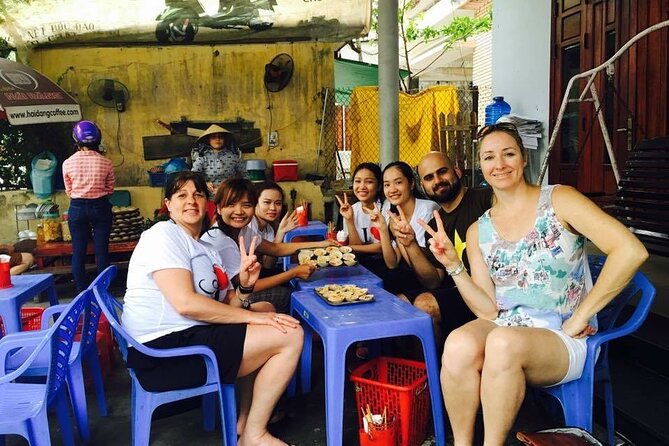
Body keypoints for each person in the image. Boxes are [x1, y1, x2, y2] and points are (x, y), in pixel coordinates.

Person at [420, 123, 649, 445]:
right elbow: (487, 310)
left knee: (502, 343)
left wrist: (582, 315)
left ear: (523, 159)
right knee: (458, 343)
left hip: (563, 334)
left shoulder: (560, 200)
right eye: (489, 157)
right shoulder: (478, 231)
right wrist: (454, 265)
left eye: (508, 153)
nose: (499, 164)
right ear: (480, 166)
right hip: (508, 325)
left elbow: (630, 250)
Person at [122, 171, 302, 446]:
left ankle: (244, 418)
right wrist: (254, 319)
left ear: (207, 202)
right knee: (290, 334)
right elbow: (186, 304)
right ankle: (254, 435)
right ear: (168, 204)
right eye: (181, 195)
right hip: (166, 352)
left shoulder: (204, 247)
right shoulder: (163, 235)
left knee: (264, 309)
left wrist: (244, 286)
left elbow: (229, 303)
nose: (191, 201)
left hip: (190, 335)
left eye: (197, 194)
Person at [391, 151, 492, 344]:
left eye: (442, 172)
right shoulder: (433, 226)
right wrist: (410, 244)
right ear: (422, 186)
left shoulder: (485, 198)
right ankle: (421, 371)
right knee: (398, 304)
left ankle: (438, 372)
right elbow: (433, 281)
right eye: (429, 178)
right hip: (458, 292)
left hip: (489, 292)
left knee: (424, 305)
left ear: (457, 171)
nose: (437, 180)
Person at [200, 178, 332, 313]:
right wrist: (294, 273)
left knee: (285, 280)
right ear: (219, 208)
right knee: (284, 294)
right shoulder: (220, 241)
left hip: (240, 291)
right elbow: (247, 286)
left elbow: (275, 249)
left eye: (246, 205)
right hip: (226, 304)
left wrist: (321, 244)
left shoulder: (243, 229)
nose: (239, 211)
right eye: (231, 205)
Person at [364, 161, 439, 295]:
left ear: (411, 184)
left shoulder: (427, 210)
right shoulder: (388, 206)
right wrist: (383, 230)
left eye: (398, 182)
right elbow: (392, 263)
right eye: (387, 184)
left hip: (427, 279)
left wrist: (402, 237)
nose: (392, 190)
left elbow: (418, 268)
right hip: (406, 273)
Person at [62, 120, 115, 292]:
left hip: (77, 208)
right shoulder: (106, 163)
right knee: (101, 251)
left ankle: (81, 290)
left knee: (78, 251)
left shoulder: (67, 163)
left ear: (76, 141)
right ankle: (102, 290)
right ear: (97, 140)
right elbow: (110, 189)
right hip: (100, 207)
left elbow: (68, 191)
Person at [253, 181, 298, 269]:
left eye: (278, 203)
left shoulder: (268, 229)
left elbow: (268, 265)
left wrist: (280, 232)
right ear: (255, 203)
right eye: (267, 202)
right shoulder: (250, 225)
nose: (273, 208)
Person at [191, 124, 248, 193]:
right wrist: (205, 183)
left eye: (220, 137)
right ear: (208, 140)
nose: (217, 139)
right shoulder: (203, 158)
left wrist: (234, 186)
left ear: (225, 140)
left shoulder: (233, 157)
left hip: (229, 194)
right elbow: (194, 176)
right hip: (208, 195)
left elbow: (245, 176)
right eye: (213, 137)